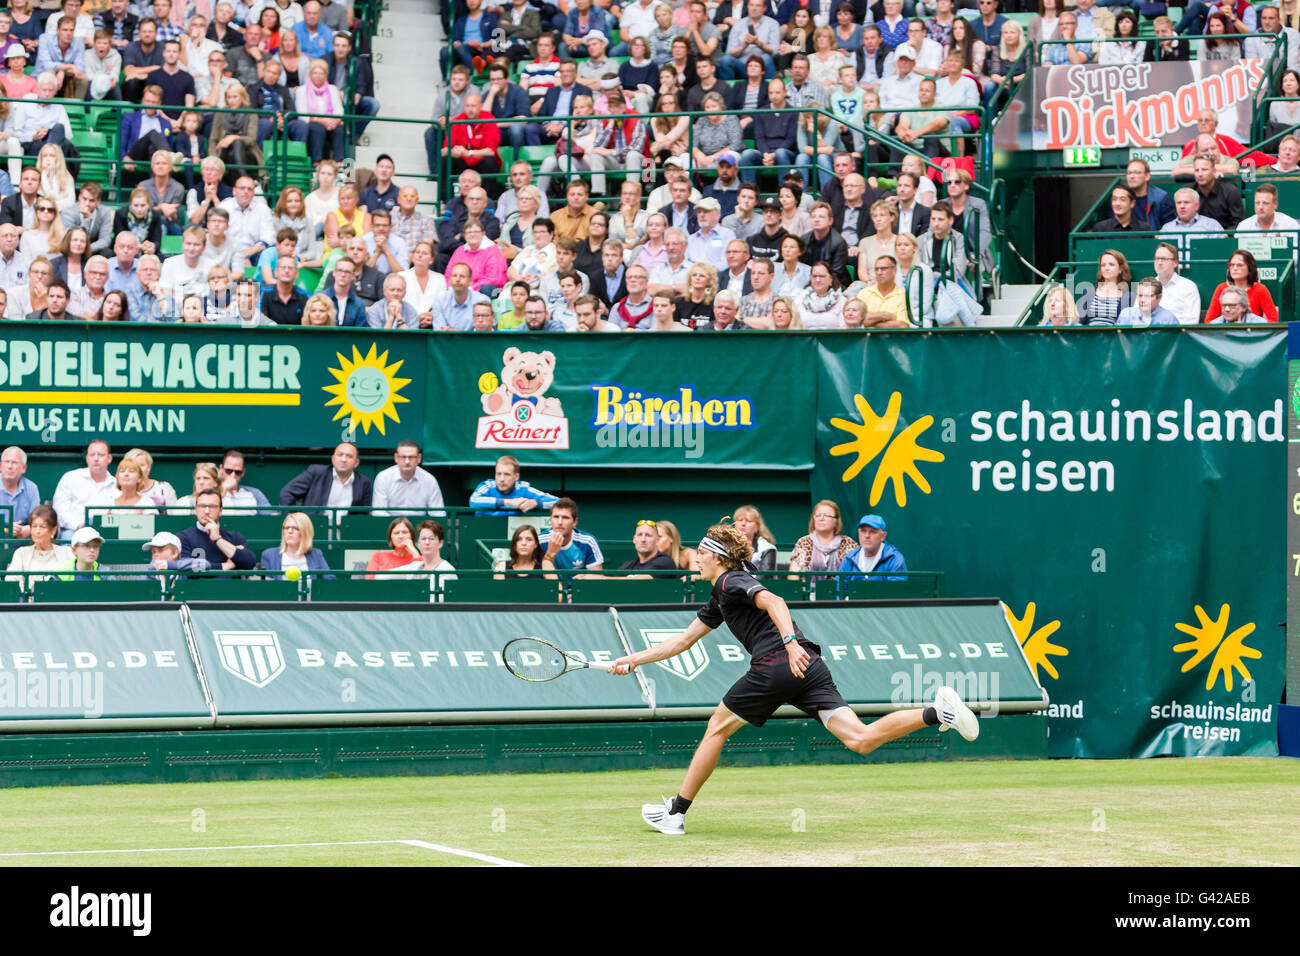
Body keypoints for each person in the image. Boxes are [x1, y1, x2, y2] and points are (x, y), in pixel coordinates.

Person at [616, 520, 979, 836]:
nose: (696, 558)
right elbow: (683, 641)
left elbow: (774, 602)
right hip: (809, 666)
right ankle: (938, 711)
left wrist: (789, 645)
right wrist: (634, 659)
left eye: (703, 554)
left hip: (780, 661)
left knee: (716, 728)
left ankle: (675, 814)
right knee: (861, 739)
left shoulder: (730, 580)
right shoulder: (720, 595)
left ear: (719, 558)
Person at [279, 442, 374, 511]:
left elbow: (363, 515)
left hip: (346, 534)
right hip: (315, 531)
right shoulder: (316, 472)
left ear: (356, 463)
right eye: (340, 455)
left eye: (349, 456)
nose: (343, 459)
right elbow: (287, 493)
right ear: (333, 459)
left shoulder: (364, 483)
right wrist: (295, 520)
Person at [178, 489, 257, 573]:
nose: (207, 511)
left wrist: (218, 540)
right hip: (197, 586)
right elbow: (186, 568)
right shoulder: (183, 537)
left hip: (231, 585)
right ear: (196, 509)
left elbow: (249, 563)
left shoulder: (235, 537)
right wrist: (224, 566)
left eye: (212, 506)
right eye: (202, 506)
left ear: (220, 511)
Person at [51, 438, 116, 536]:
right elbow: (59, 509)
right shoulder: (70, 477)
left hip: (106, 532)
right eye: (92, 455)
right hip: (74, 530)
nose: (96, 458)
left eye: (101, 455)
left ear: (109, 458)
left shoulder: (117, 484)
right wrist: (78, 525)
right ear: (86, 458)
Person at [6, 504, 74, 588]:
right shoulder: (21, 553)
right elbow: (11, 582)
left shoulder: (67, 552)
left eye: (43, 527)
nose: (37, 531)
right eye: (34, 526)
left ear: (53, 530)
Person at [1203, 250, 1279, 324]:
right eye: (1232, 265)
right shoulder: (1221, 288)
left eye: (1239, 265)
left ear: (1250, 268)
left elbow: (1274, 320)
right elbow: (1209, 321)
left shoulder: (1260, 289)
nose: (1235, 268)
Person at [470, 455, 557, 515]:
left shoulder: (523, 489)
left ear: (516, 476)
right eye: (498, 474)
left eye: (507, 474)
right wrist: (510, 502)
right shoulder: (488, 486)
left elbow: (558, 502)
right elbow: (473, 501)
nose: (502, 479)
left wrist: (536, 503)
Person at [788, 499, 856, 576]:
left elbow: (855, 574)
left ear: (836, 521)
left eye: (826, 515)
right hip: (808, 587)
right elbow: (793, 575)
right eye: (818, 515)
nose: (821, 519)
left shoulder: (848, 543)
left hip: (840, 587)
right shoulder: (804, 542)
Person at [837, 512, 908, 582]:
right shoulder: (849, 558)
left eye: (873, 532)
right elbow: (839, 589)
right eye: (863, 531)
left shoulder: (894, 559)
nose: (867, 536)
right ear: (859, 533)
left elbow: (896, 591)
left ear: (883, 536)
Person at [540, 497, 604, 573]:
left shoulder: (587, 541)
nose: (560, 522)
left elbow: (597, 577)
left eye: (565, 518)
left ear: (575, 522)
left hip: (579, 584)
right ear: (550, 519)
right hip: (551, 584)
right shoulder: (540, 541)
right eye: (556, 517)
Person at [260, 511, 330, 578]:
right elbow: (266, 585)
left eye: (296, 528)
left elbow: (329, 580)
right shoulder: (269, 555)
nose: (289, 531)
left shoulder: (316, 554)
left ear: (305, 532)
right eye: (287, 528)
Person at [1078, 248, 1134, 327]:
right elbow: (1081, 322)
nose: (1106, 268)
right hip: (1090, 336)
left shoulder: (1128, 296)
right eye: (1103, 265)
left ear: (1120, 269)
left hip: (1114, 336)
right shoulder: (1088, 292)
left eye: (1111, 264)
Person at [0, 446, 40, 538]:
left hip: (22, 541)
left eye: (14, 463)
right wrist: (6, 528)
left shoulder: (31, 488)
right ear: (1, 466)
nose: (10, 466)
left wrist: (28, 529)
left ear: (24, 468)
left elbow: (37, 521)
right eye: (7, 462)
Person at [1115, 277, 1179, 327]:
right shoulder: (1126, 315)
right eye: (1140, 295)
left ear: (1159, 297)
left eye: (1147, 296)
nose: (1142, 300)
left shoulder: (1169, 319)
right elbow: (1116, 340)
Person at [733, 504, 776, 571]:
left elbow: (765, 578)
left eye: (749, 521)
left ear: (757, 527)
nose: (743, 524)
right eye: (740, 520)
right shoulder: (725, 546)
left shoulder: (767, 549)